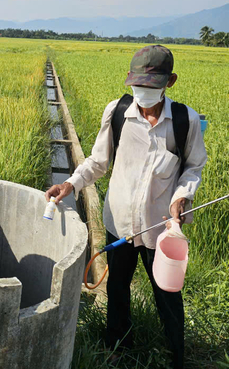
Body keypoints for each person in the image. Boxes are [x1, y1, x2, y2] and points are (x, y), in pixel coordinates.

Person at [45, 45, 207, 368]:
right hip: (118, 222)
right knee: (117, 287)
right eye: (137, 85)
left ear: (169, 82)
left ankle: (178, 354)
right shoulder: (117, 113)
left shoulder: (183, 122)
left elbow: (193, 167)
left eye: (150, 86)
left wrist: (181, 197)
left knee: (167, 293)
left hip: (159, 228)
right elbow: (97, 162)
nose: (142, 93)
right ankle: (118, 347)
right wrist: (70, 183)